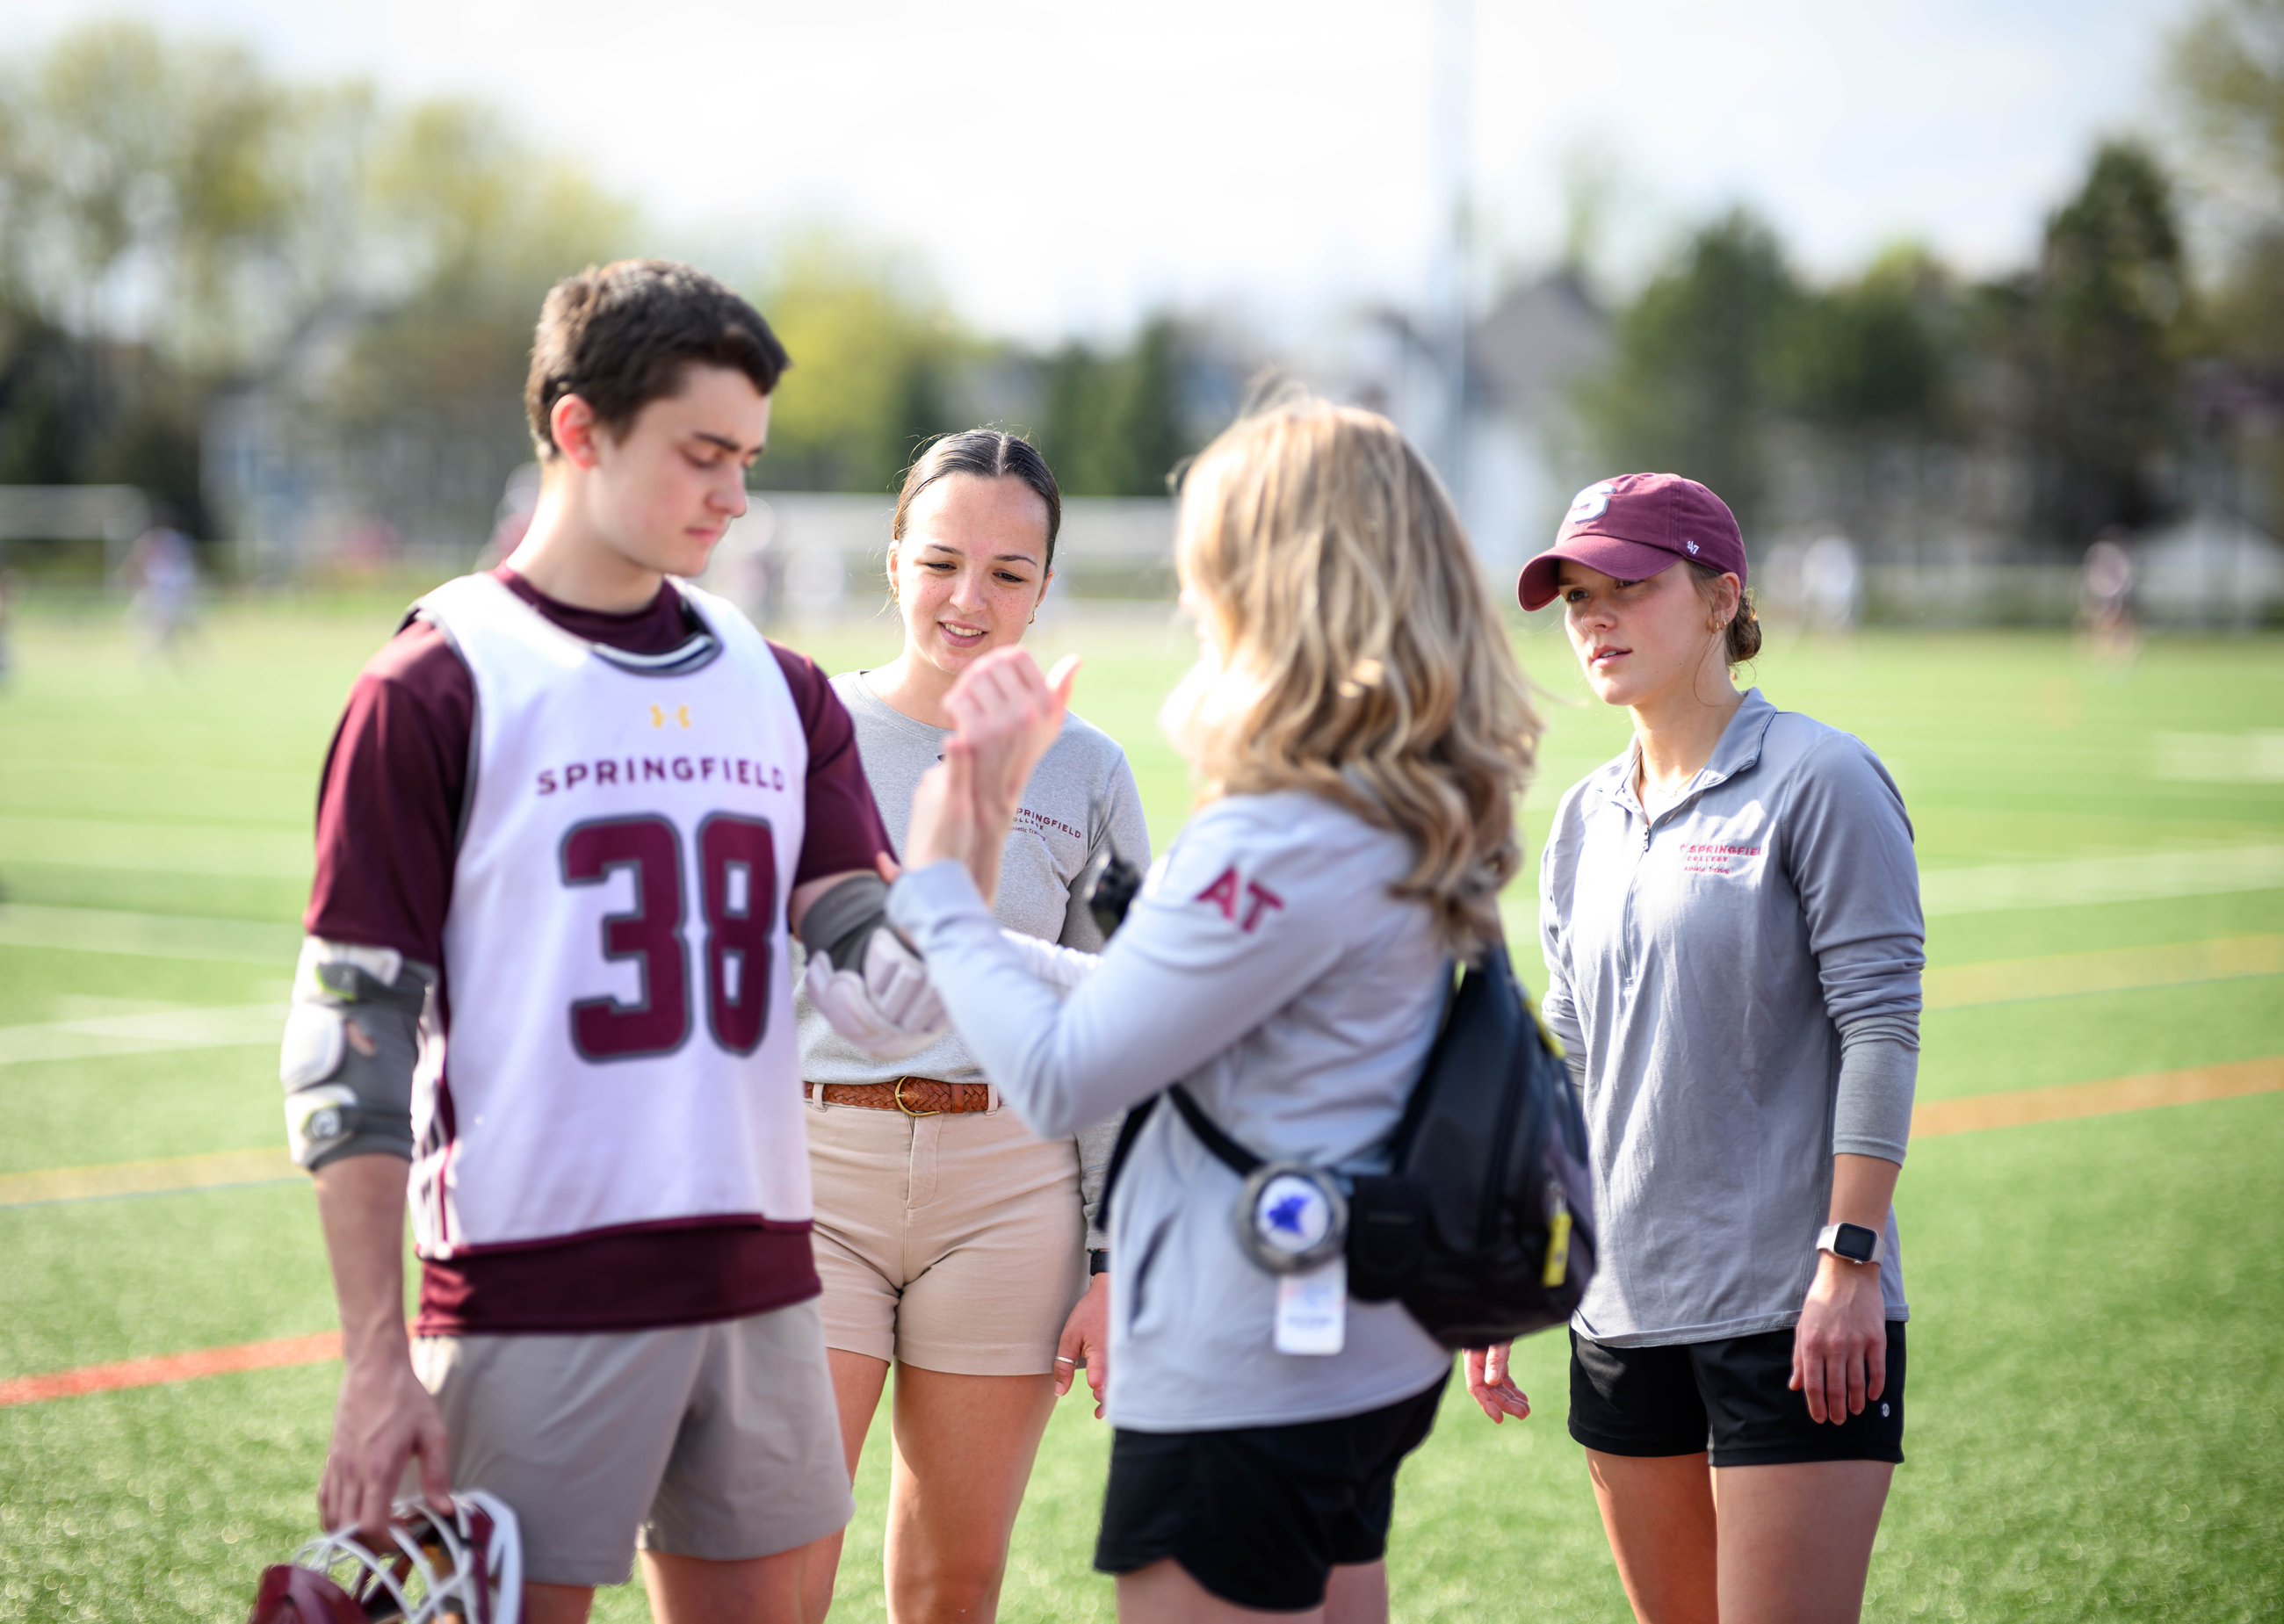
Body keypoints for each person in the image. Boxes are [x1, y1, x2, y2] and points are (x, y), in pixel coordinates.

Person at [279, 259, 941, 1624]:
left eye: (747, 458)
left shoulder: (776, 684)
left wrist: (971, 842)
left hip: (762, 1279)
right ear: (579, 430)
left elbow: (883, 1008)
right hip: (536, 1285)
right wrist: (371, 1354)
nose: (735, 496)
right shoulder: (438, 680)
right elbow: (347, 1045)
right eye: (704, 454)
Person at [882, 398, 1542, 1623]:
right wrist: (1002, 942)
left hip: (1248, 1352)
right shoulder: (1388, 797)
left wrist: (942, 886)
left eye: (1213, 554)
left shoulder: (1281, 827)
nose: (1195, 589)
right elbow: (1175, 1010)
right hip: (1357, 1341)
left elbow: (1068, 1076)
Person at [1499, 473, 1924, 1624]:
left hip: (1793, 1311)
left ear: (1720, 595)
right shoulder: (1584, 817)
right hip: (1621, 1310)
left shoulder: (1820, 778)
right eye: (1577, 594)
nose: (1594, 616)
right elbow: (1570, 1061)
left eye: (1627, 587)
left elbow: (1882, 1025)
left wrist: (1847, 1259)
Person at [793, 429, 1150, 1623]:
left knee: (954, 1588)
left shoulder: (1088, 768)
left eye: (1009, 570)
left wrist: (1112, 1261)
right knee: (775, 1556)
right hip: (810, 1176)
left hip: (1011, 1192)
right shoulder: (801, 735)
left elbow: (1120, 1029)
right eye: (942, 559)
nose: (969, 597)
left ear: (1045, 587)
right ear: (894, 561)